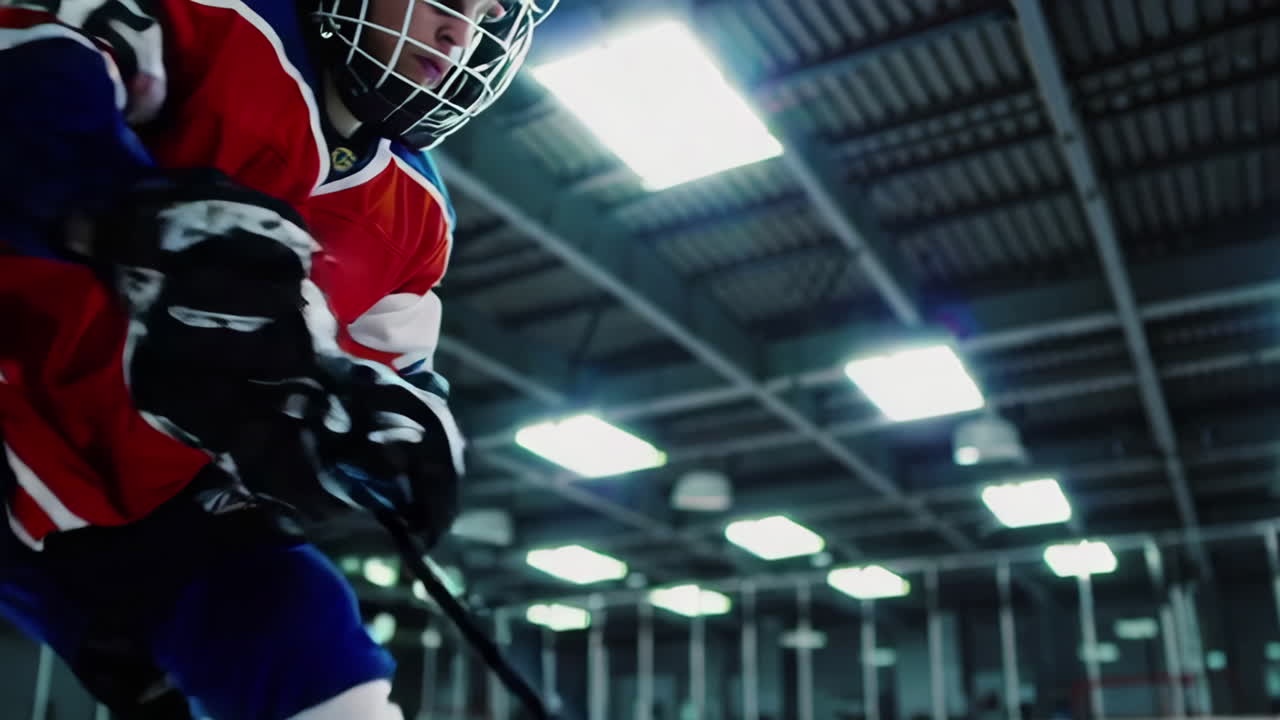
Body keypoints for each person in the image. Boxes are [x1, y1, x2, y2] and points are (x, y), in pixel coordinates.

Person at [0, 0, 556, 717]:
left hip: (148, 506)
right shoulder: (215, 21)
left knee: (315, 654)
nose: (464, 32)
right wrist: (113, 206)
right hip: (18, 417)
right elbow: (29, 59)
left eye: (492, 12)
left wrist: (388, 434)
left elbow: (377, 378)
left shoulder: (419, 217)